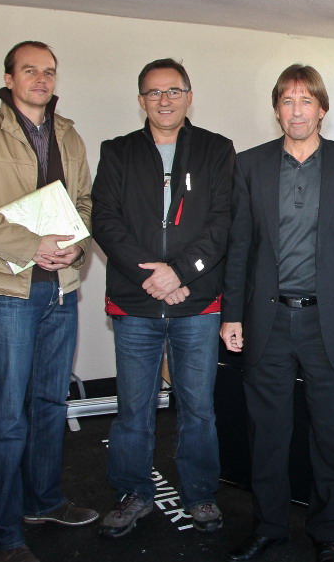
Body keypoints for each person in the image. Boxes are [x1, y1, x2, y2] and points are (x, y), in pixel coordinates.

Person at [0, 41, 96, 562]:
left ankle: (43, 502)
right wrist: (32, 246)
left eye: (49, 71)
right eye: (30, 70)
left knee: (50, 403)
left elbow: (84, 203)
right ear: (9, 79)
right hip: (7, 290)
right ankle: (4, 536)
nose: (41, 79)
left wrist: (77, 243)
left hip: (61, 287)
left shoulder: (69, 134)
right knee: (6, 415)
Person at [220, 64, 334, 562]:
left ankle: (328, 529)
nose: (296, 111)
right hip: (266, 321)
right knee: (267, 433)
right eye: (287, 101)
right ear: (276, 109)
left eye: (306, 100)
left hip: (327, 322)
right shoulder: (249, 165)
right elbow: (239, 247)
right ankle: (268, 527)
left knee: (331, 432)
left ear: (322, 109)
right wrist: (231, 314)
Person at [91, 59, 234, 538]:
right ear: (141, 101)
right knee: (134, 409)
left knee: (198, 407)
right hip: (136, 303)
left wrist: (182, 272)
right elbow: (105, 219)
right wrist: (152, 276)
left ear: (189, 96)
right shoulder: (117, 151)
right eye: (154, 93)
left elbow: (222, 221)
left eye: (173, 91)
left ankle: (200, 493)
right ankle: (133, 492)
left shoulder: (216, 149)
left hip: (197, 302)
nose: (164, 100)